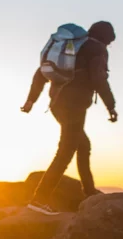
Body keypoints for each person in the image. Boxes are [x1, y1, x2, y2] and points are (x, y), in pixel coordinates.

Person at [21, 21, 118, 215]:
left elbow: (40, 72)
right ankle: (39, 199)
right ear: (106, 38)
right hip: (74, 105)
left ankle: (89, 193)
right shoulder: (97, 49)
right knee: (66, 150)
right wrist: (111, 106)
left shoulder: (72, 47)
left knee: (82, 145)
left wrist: (31, 100)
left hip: (57, 104)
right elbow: (98, 78)